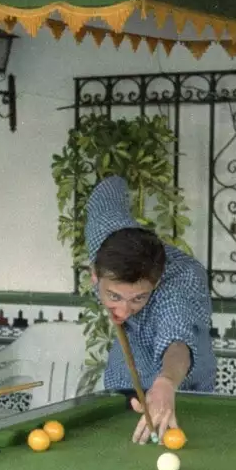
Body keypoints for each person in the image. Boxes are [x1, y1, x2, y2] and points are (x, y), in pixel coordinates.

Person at [84, 174, 215, 442]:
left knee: (167, 404)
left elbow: (177, 343)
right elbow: (106, 192)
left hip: (181, 374)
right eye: (114, 296)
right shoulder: (104, 233)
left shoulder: (177, 285)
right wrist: (125, 174)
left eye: (138, 299)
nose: (123, 309)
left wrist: (166, 382)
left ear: (154, 284)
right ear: (94, 274)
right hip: (130, 356)